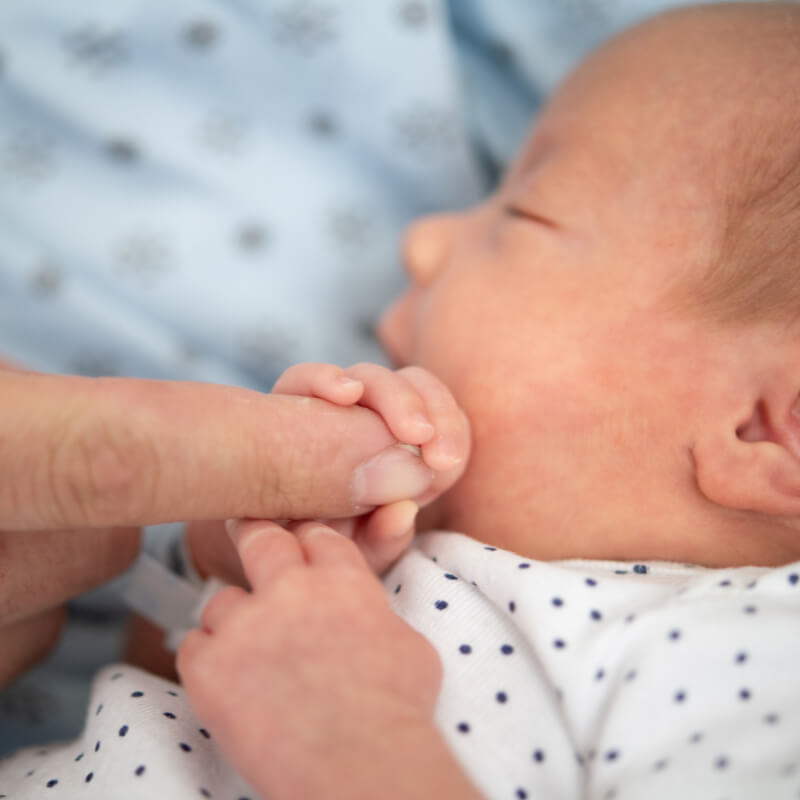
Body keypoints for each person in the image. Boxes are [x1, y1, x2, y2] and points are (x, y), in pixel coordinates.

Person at [4, 1, 799, 798]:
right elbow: (152, 720)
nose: (422, 240)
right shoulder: (423, 573)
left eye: (525, 213)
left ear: (766, 427)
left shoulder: (752, 655)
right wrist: (233, 571)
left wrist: (351, 742)